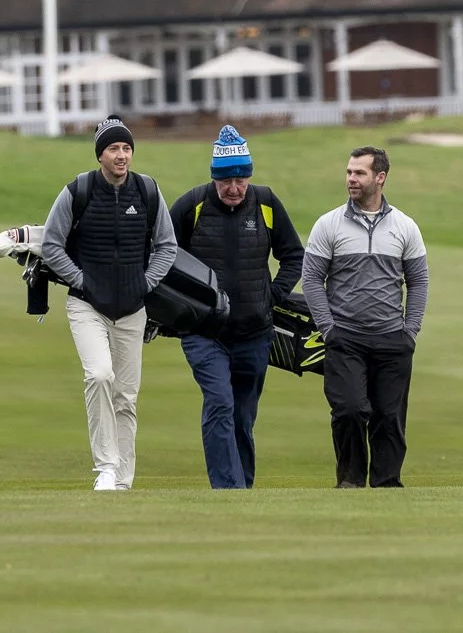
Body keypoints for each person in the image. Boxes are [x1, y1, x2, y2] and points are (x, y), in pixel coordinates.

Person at [39, 113, 177, 491]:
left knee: (126, 397)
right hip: (87, 304)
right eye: (113, 148)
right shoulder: (78, 190)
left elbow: (167, 245)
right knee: (99, 375)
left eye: (127, 148)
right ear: (100, 154)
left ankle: (122, 481)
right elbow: (51, 244)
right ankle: (105, 467)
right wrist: (80, 280)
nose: (121, 155)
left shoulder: (147, 190)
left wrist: (145, 282)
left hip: (132, 308)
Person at [168, 125, 305, 489]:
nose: (233, 188)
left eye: (240, 179)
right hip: (204, 333)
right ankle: (227, 490)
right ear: (214, 178)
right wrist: (180, 308)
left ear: (249, 176)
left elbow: (294, 256)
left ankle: (242, 491)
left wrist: (272, 296)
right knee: (219, 404)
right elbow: (163, 256)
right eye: (226, 180)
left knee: (243, 418)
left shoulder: (266, 203)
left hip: (255, 334)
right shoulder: (191, 205)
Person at [301, 145, 428, 488]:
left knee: (389, 417)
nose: (351, 179)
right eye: (349, 172)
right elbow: (311, 279)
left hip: (392, 338)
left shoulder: (405, 226)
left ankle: (387, 485)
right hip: (344, 337)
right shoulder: (328, 224)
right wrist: (328, 328)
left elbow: (418, 281)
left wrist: (410, 331)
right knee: (350, 410)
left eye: (359, 173)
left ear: (380, 177)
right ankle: (350, 481)